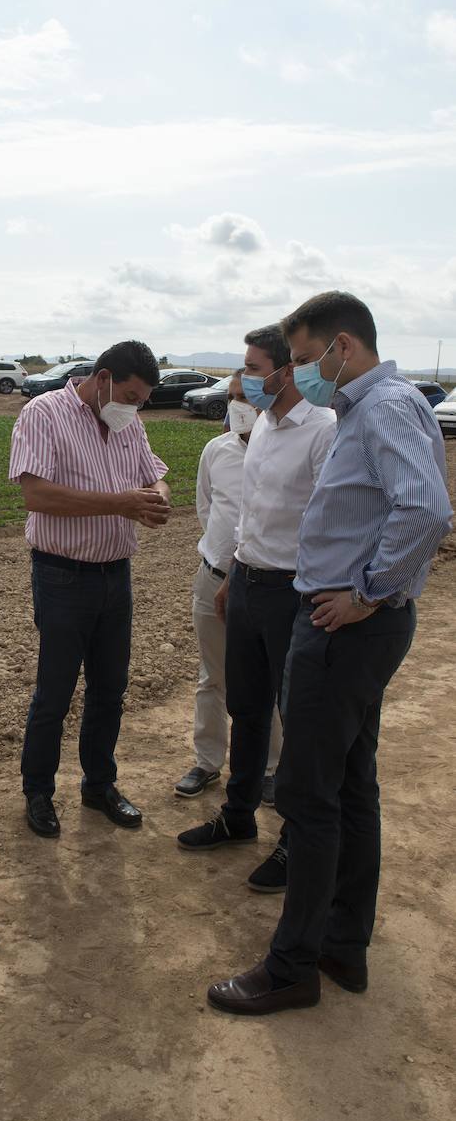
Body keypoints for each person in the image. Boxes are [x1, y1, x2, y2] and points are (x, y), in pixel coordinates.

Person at [208, 291, 452, 1015]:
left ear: (343, 348)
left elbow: (427, 509)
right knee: (349, 786)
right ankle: (344, 944)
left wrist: (368, 593)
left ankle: (291, 968)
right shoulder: (371, 408)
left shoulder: (378, 407)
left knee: (309, 798)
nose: (302, 373)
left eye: (308, 359)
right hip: (350, 622)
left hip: (343, 626)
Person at [177, 325, 336, 894]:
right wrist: (235, 573)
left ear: (286, 370)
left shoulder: (322, 430)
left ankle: (294, 841)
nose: (243, 380)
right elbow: (252, 511)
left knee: (299, 720)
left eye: (253, 367)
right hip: (247, 582)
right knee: (246, 708)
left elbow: (328, 520)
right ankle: (238, 817)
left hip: (296, 591)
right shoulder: (264, 427)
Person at [8, 340, 171, 838]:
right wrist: (118, 504)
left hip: (114, 576)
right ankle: (38, 791)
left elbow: (156, 475)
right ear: (102, 379)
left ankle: (99, 785)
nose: (135, 406)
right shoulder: (44, 414)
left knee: (109, 691)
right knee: (55, 693)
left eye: (142, 399)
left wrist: (155, 499)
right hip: (61, 575)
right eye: (130, 394)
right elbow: (36, 494)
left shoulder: (128, 423)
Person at [174, 372, 283, 799]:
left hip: (262, 584)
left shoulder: (281, 450)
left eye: (245, 398)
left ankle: (272, 769)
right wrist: (221, 560)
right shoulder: (215, 451)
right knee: (211, 677)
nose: (237, 405)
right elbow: (206, 508)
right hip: (212, 578)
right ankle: (207, 762)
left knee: (267, 680)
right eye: (232, 397)